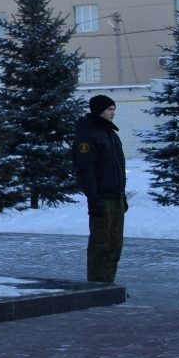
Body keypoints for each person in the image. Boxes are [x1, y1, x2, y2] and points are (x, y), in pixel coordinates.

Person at [74, 94, 127, 283]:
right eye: (109, 109)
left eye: (113, 109)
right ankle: (96, 285)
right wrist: (93, 199)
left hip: (115, 196)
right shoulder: (89, 134)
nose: (113, 113)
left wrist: (122, 195)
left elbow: (117, 167)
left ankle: (109, 284)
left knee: (115, 244)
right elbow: (85, 169)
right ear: (99, 111)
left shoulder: (110, 134)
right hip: (102, 198)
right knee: (100, 244)